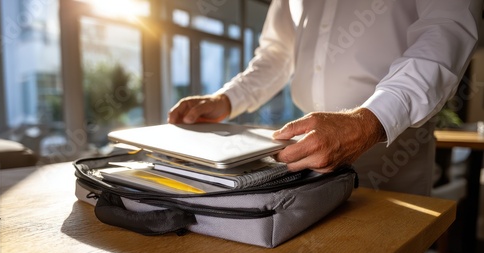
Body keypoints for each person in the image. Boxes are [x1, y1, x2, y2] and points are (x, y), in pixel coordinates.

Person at [168, 0, 481, 196]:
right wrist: (226, 99)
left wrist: (373, 120)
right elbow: (276, 54)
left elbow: (445, 31)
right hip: (311, 149)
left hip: (393, 149)